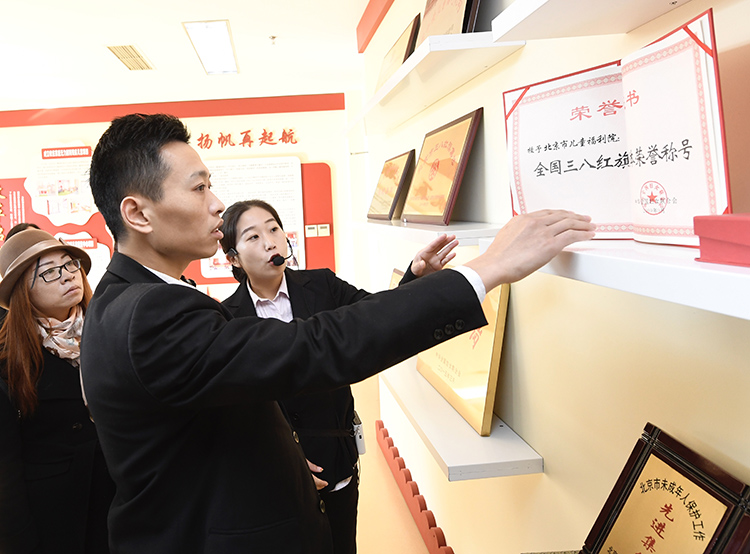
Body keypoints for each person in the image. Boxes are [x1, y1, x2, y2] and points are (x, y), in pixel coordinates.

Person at [81, 112, 595, 554]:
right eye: (199, 188)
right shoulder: (148, 314)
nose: (217, 204)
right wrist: (485, 270)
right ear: (137, 213)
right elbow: (314, 346)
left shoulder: (139, 300)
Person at [219, 199, 458, 554]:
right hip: (275, 473)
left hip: (334, 460)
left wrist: (416, 279)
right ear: (233, 258)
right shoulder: (226, 317)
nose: (270, 242)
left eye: (273, 229)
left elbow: (377, 318)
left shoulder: (322, 285)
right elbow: (237, 409)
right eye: (253, 237)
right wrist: (284, 459)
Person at [0, 228, 115, 553]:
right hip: (54, 516)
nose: (67, 276)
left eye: (69, 264)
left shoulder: (108, 330)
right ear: (22, 290)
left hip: (117, 499)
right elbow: (6, 468)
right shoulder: (9, 358)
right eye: (49, 272)